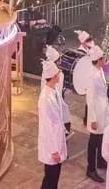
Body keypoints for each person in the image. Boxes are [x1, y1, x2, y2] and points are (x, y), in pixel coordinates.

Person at [38, 60, 69, 189]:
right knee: (50, 178)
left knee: (55, 176)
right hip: (51, 145)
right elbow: (47, 127)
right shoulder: (45, 99)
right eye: (57, 73)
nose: (59, 74)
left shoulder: (54, 91)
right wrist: (54, 150)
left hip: (57, 138)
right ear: (53, 76)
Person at [84, 45, 109, 183]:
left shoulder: (100, 70)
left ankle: (100, 161)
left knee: (101, 138)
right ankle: (91, 169)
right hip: (96, 113)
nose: (105, 59)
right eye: (103, 58)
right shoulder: (92, 76)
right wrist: (93, 119)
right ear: (99, 60)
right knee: (93, 141)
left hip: (102, 110)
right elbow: (90, 99)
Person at [44, 46, 73, 135]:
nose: (60, 61)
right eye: (59, 59)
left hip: (57, 101)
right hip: (55, 102)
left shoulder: (49, 72)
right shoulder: (56, 75)